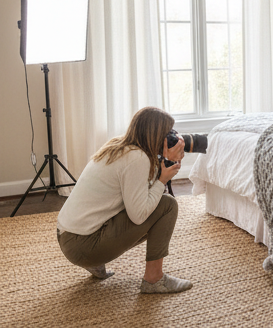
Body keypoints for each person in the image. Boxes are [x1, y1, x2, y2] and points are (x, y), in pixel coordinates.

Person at [56, 106, 191, 293]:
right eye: (168, 132)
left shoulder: (119, 145)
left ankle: (96, 263)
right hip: (83, 246)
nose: (173, 137)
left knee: (148, 202)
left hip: (67, 237)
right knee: (167, 206)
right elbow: (140, 215)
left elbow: (140, 191)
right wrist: (163, 179)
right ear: (156, 135)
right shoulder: (137, 158)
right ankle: (154, 279)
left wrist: (165, 163)